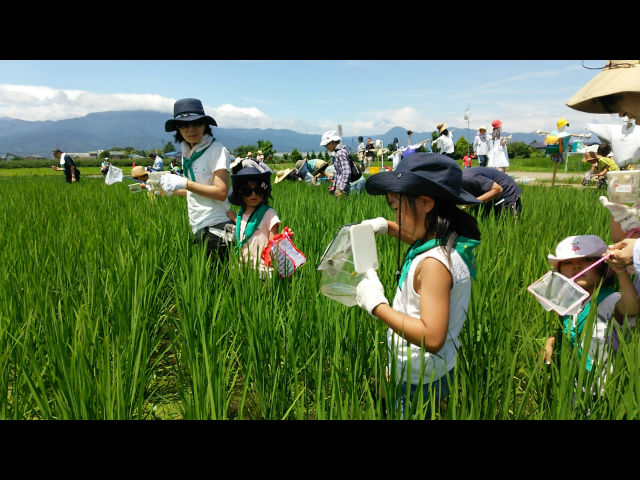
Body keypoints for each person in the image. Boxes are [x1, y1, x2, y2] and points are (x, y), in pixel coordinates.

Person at [355, 152, 482, 417]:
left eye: (395, 209)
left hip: (418, 376)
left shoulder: (434, 264)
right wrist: (387, 227)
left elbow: (432, 337)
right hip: (429, 367)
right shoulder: (448, 243)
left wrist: (377, 305)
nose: (396, 216)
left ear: (425, 202)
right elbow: (420, 240)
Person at [542, 235, 639, 383]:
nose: (577, 266)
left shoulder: (609, 300)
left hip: (605, 385)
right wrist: (552, 341)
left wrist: (620, 271)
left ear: (606, 269)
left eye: (587, 260)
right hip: (573, 381)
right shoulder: (568, 303)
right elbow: (569, 331)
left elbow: (631, 308)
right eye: (568, 262)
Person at [159, 98, 234, 265]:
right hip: (198, 225)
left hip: (217, 226)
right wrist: (164, 190)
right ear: (178, 129)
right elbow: (195, 190)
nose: (191, 129)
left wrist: (185, 183)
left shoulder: (217, 150)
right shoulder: (188, 152)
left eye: (196, 123)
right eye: (184, 125)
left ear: (205, 125)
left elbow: (221, 192)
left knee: (216, 284)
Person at [228, 166, 281, 277]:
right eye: (247, 191)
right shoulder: (240, 215)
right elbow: (246, 226)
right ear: (240, 194)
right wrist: (234, 218)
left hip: (263, 269)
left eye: (258, 190)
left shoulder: (269, 213)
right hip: (243, 267)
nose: (253, 194)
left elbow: (274, 243)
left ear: (264, 192)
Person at [320, 130, 350, 197]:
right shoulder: (338, 152)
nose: (326, 148)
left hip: (342, 189)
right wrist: (334, 185)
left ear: (332, 142)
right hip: (339, 186)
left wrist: (341, 189)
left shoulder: (341, 153)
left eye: (326, 145)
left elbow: (346, 172)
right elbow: (339, 172)